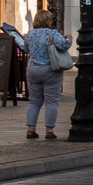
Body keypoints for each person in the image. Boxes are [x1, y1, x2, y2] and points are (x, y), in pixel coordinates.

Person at [23, 11, 72, 139]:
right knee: (52, 102)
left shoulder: (30, 34)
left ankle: (30, 129)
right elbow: (64, 45)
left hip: (33, 69)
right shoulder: (52, 33)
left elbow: (26, 49)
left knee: (34, 101)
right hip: (50, 69)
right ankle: (49, 130)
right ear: (49, 20)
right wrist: (69, 37)